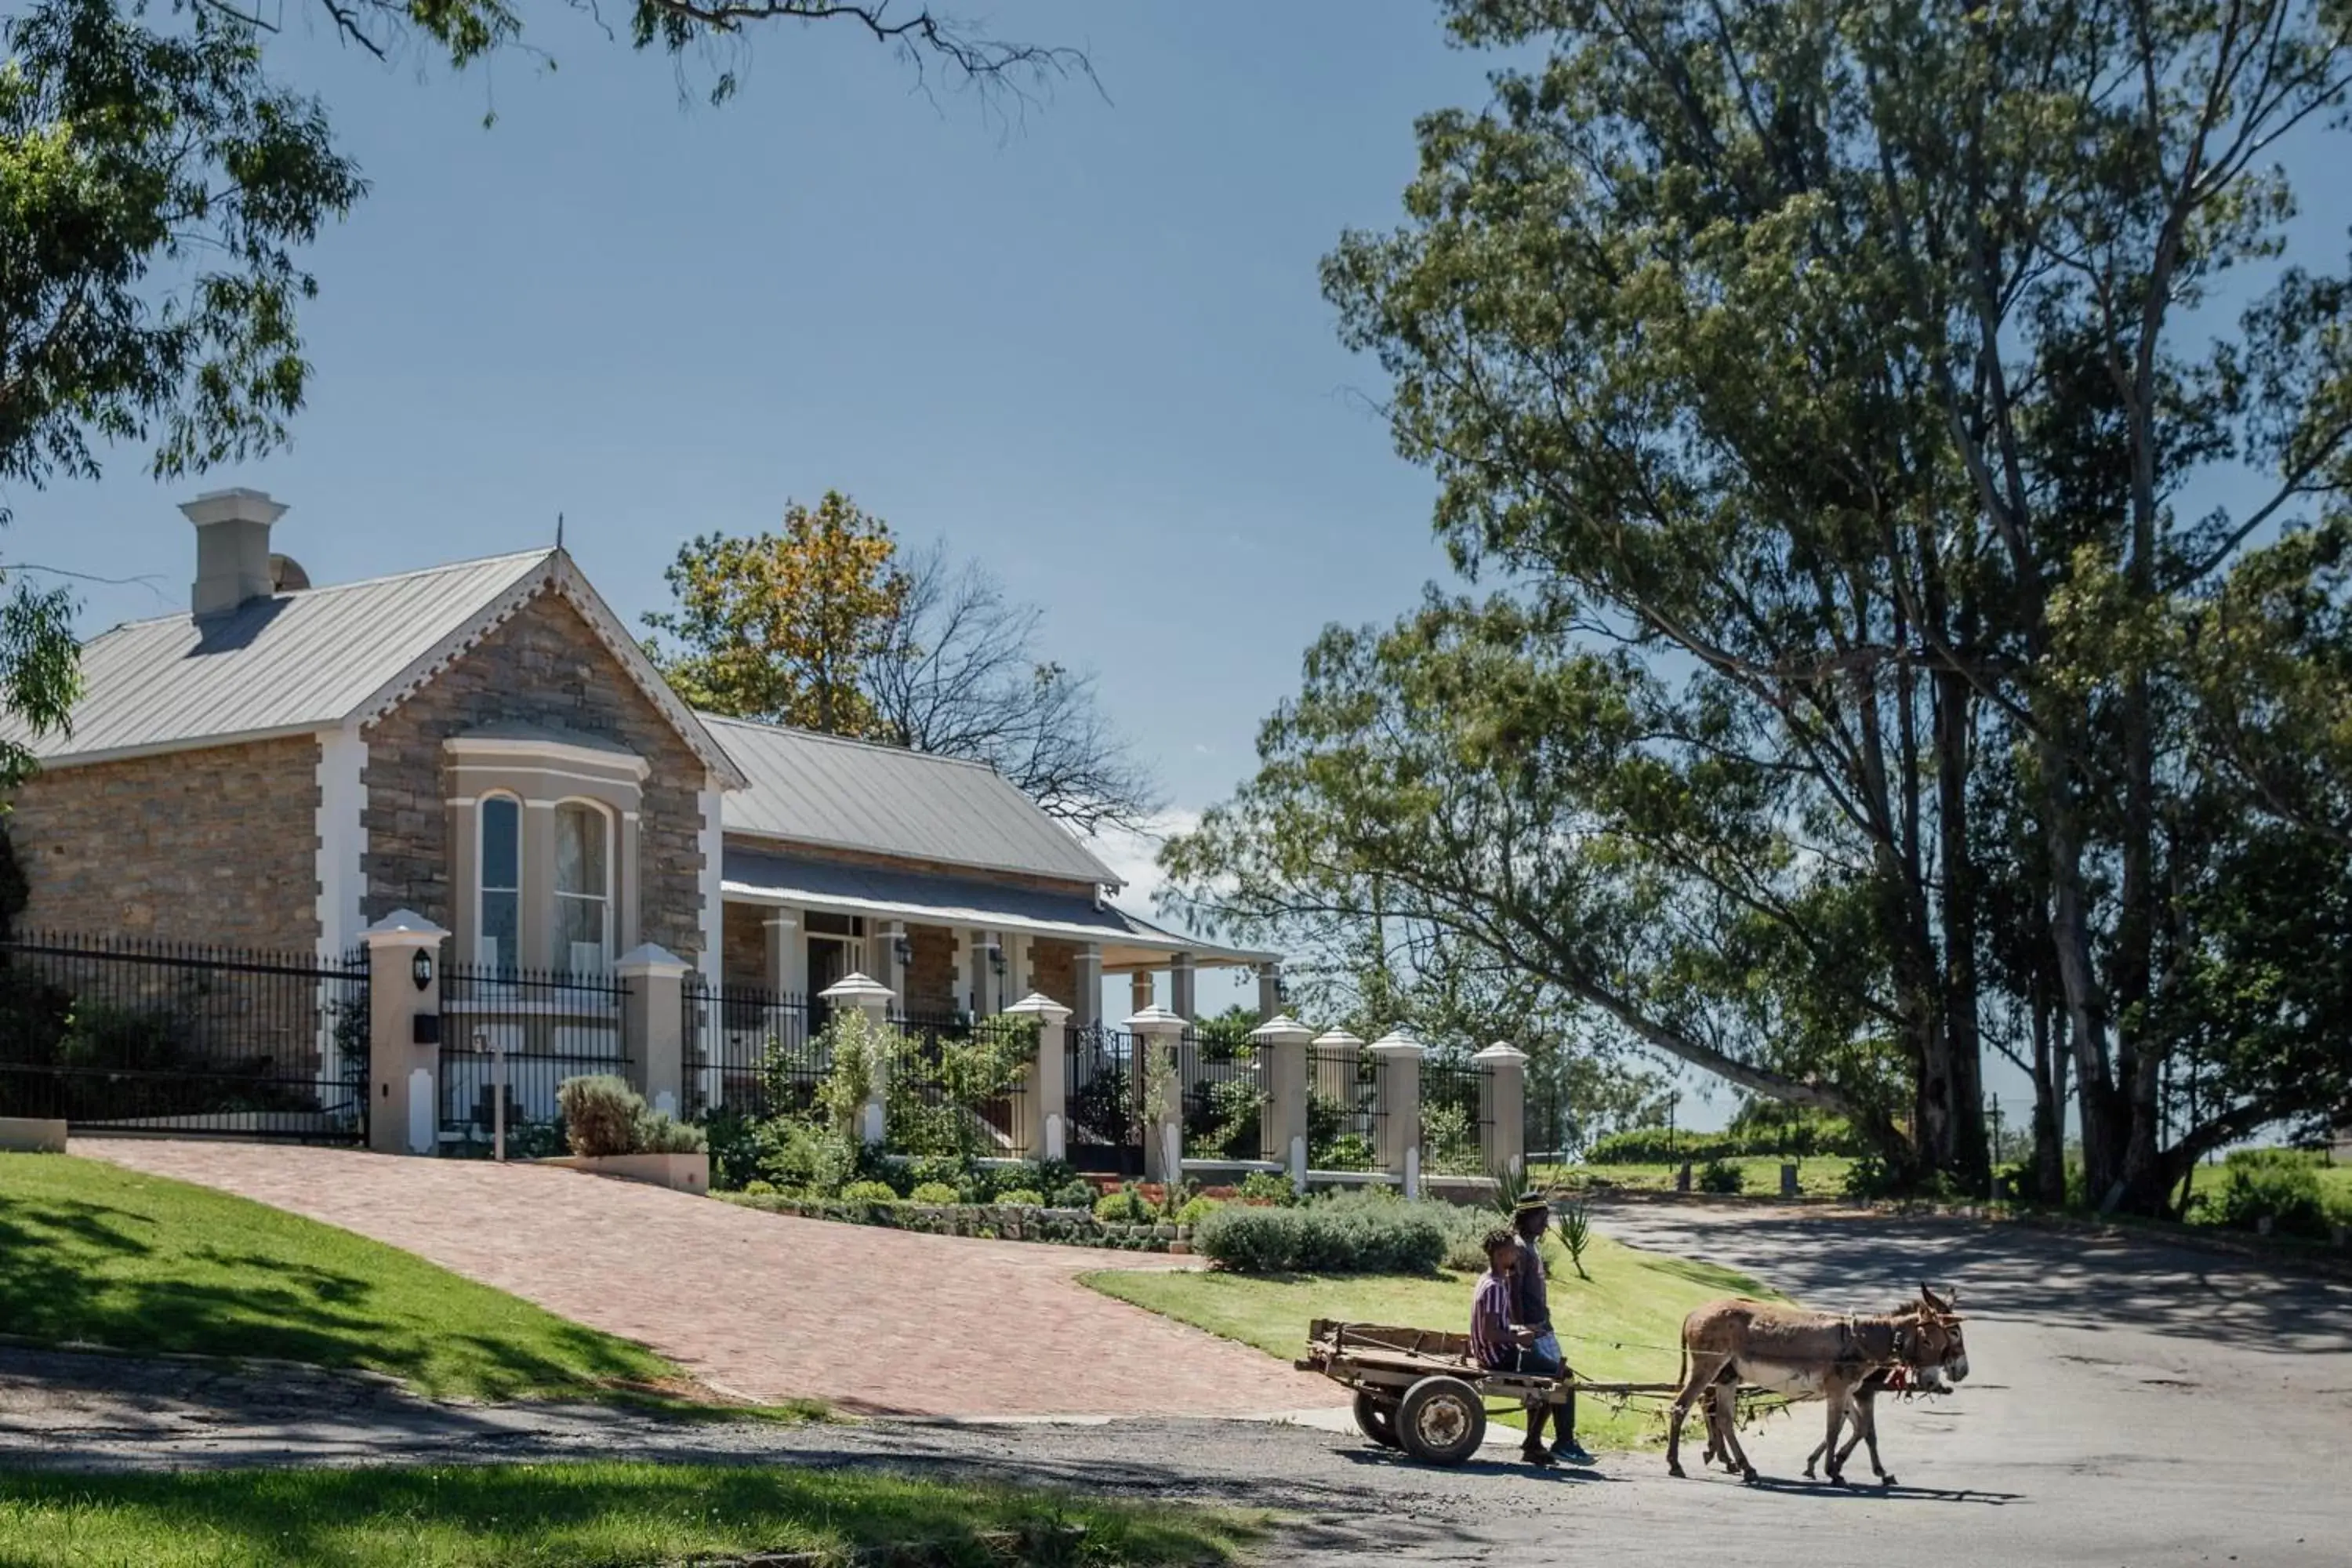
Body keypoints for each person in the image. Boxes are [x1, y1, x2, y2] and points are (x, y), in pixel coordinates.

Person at [1468, 1226, 1565, 1467]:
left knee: (1545, 1367)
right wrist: (1518, 1339)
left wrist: (1524, 1330)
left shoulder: (1490, 1280)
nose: (1517, 1255)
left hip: (1496, 1351)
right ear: (1500, 1256)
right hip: (1497, 1357)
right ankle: (1533, 1444)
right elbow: (1491, 1332)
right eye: (1512, 1251)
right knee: (1557, 1377)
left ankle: (1534, 1441)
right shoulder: (1494, 1288)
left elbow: (1498, 1326)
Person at [1510, 1193, 1593, 1466]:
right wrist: (1522, 1329)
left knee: (1552, 1380)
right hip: (1531, 1332)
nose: (1546, 1224)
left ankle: (1533, 1443)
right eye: (1540, 1218)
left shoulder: (1529, 1246)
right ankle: (1564, 1442)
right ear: (1526, 1217)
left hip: (1542, 1328)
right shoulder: (1520, 1249)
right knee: (1563, 1379)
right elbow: (1513, 1294)